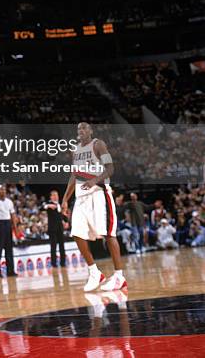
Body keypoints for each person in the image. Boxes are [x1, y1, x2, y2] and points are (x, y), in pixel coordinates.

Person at [62, 123, 126, 292]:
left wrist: (95, 180)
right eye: (78, 129)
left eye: (84, 128)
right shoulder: (76, 150)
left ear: (90, 131)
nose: (81, 131)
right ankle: (94, 272)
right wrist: (65, 199)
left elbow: (110, 168)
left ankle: (119, 276)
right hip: (81, 197)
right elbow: (74, 175)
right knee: (76, 233)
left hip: (99, 194)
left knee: (108, 234)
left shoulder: (98, 144)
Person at [43, 190, 67, 267]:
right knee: (53, 247)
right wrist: (48, 206)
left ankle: (63, 262)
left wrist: (65, 221)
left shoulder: (60, 204)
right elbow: (43, 206)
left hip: (60, 228)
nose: (56, 196)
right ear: (51, 197)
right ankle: (54, 263)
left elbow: (61, 216)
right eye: (54, 195)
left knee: (62, 246)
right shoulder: (48, 204)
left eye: (57, 195)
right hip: (52, 229)